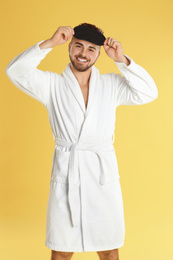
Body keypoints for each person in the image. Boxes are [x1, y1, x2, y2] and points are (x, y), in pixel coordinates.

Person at [5, 23, 158, 260]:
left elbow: (149, 92)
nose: (83, 54)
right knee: (62, 250)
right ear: (69, 47)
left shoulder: (111, 85)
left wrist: (121, 60)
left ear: (98, 53)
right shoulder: (51, 85)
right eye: (78, 46)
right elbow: (15, 71)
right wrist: (50, 43)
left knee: (109, 248)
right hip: (68, 175)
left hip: (101, 177)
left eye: (90, 49)